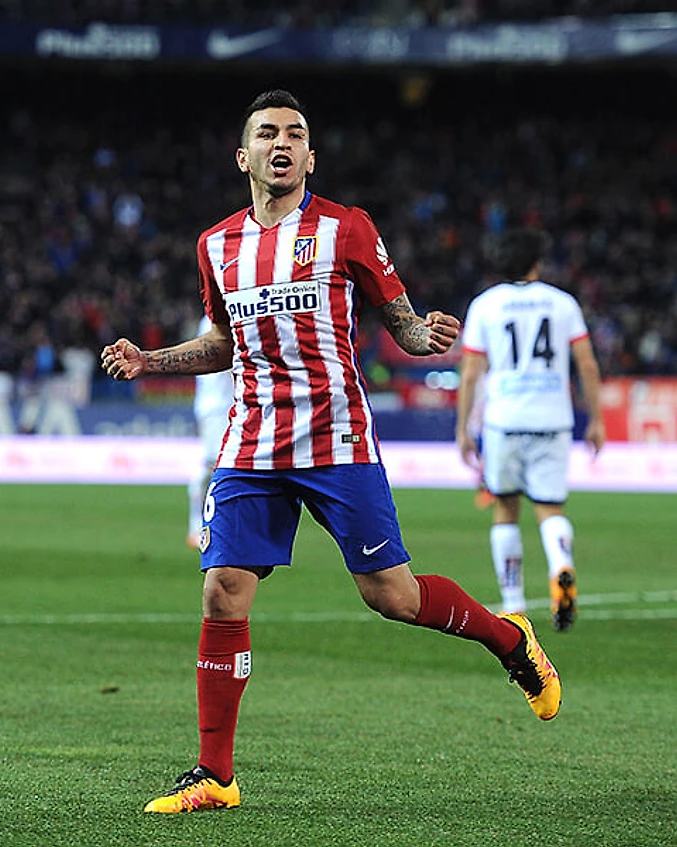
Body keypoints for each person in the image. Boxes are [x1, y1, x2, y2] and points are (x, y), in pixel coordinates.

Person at [101, 90, 562, 815]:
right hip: (252, 440)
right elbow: (223, 343)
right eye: (267, 133)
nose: (281, 143)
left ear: (310, 157)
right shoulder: (215, 245)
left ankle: (510, 639)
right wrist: (150, 360)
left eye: (295, 134)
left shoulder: (347, 229)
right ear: (244, 156)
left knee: (392, 597)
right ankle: (215, 774)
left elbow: (401, 321)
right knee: (222, 588)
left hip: (336, 437)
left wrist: (425, 336)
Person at [456, 228, 605, 632]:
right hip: (553, 419)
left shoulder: (485, 305)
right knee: (550, 508)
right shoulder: (563, 303)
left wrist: (463, 428)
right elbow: (587, 365)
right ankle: (561, 565)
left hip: (504, 420)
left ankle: (514, 605)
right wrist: (596, 418)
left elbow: (470, 373)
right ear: (537, 263)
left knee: (505, 507)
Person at [187, 314, 235, 549]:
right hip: (217, 407)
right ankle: (197, 527)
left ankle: (222, 526)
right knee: (213, 465)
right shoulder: (213, 322)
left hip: (230, 405)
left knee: (227, 467)